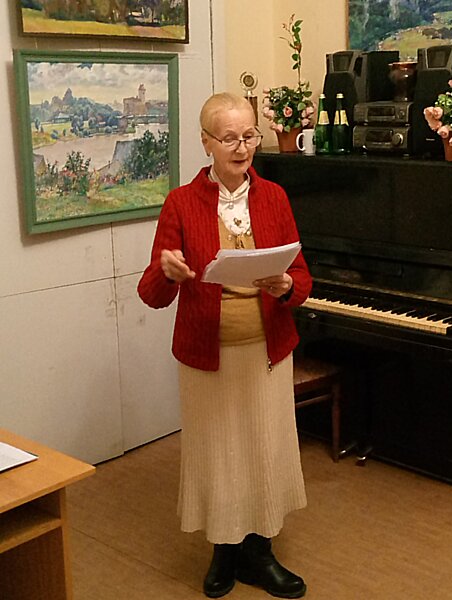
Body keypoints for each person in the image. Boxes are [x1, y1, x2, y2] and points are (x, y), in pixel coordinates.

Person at [137, 92, 312, 599]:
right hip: (206, 357)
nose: (242, 148)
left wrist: (286, 285)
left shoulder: (274, 197)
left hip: (267, 353)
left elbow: (302, 278)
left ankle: (261, 552)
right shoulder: (181, 202)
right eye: (229, 138)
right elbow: (151, 294)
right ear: (206, 142)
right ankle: (224, 550)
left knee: (263, 450)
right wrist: (168, 273)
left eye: (249, 136)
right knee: (218, 455)